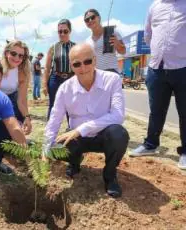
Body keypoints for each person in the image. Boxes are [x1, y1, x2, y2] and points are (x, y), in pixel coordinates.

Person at [43, 43, 129, 198]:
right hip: (77, 139)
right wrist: (45, 150)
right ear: (71, 66)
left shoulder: (112, 80)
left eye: (87, 61)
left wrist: (82, 129)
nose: (83, 67)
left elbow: (118, 115)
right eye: (77, 64)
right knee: (56, 147)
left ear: (95, 60)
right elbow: (54, 120)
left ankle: (110, 176)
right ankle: (74, 162)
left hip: (103, 136)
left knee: (119, 134)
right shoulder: (65, 89)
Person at [129, 0, 186, 170]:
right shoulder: (154, 6)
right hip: (157, 67)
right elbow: (148, 34)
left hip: (182, 67)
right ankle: (151, 145)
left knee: (185, 112)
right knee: (156, 111)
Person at [43, 19, 76, 120]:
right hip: (55, 79)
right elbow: (47, 67)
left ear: (70, 31)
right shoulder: (53, 47)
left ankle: (72, 130)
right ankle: (50, 132)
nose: (62, 34)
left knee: (71, 107)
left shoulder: (75, 47)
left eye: (65, 31)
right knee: (53, 105)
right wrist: (44, 84)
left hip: (71, 80)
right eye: (59, 31)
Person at [0, 40, 32, 134]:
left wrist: (27, 117)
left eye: (21, 56)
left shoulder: (23, 72)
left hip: (11, 100)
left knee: (18, 121)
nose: (17, 58)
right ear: (6, 53)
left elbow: (21, 100)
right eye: (13, 53)